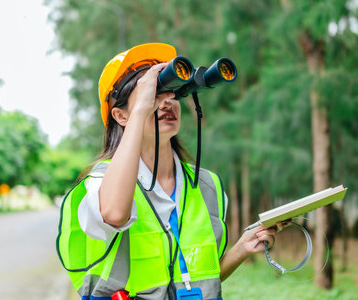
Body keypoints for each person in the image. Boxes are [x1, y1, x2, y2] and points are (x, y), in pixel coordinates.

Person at [57, 43, 283, 300]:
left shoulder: (207, 185)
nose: (166, 102)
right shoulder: (99, 182)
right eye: (152, 94)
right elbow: (115, 214)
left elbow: (198, 278)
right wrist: (141, 111)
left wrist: (242, 248)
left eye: (172, 93)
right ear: (120, 115)